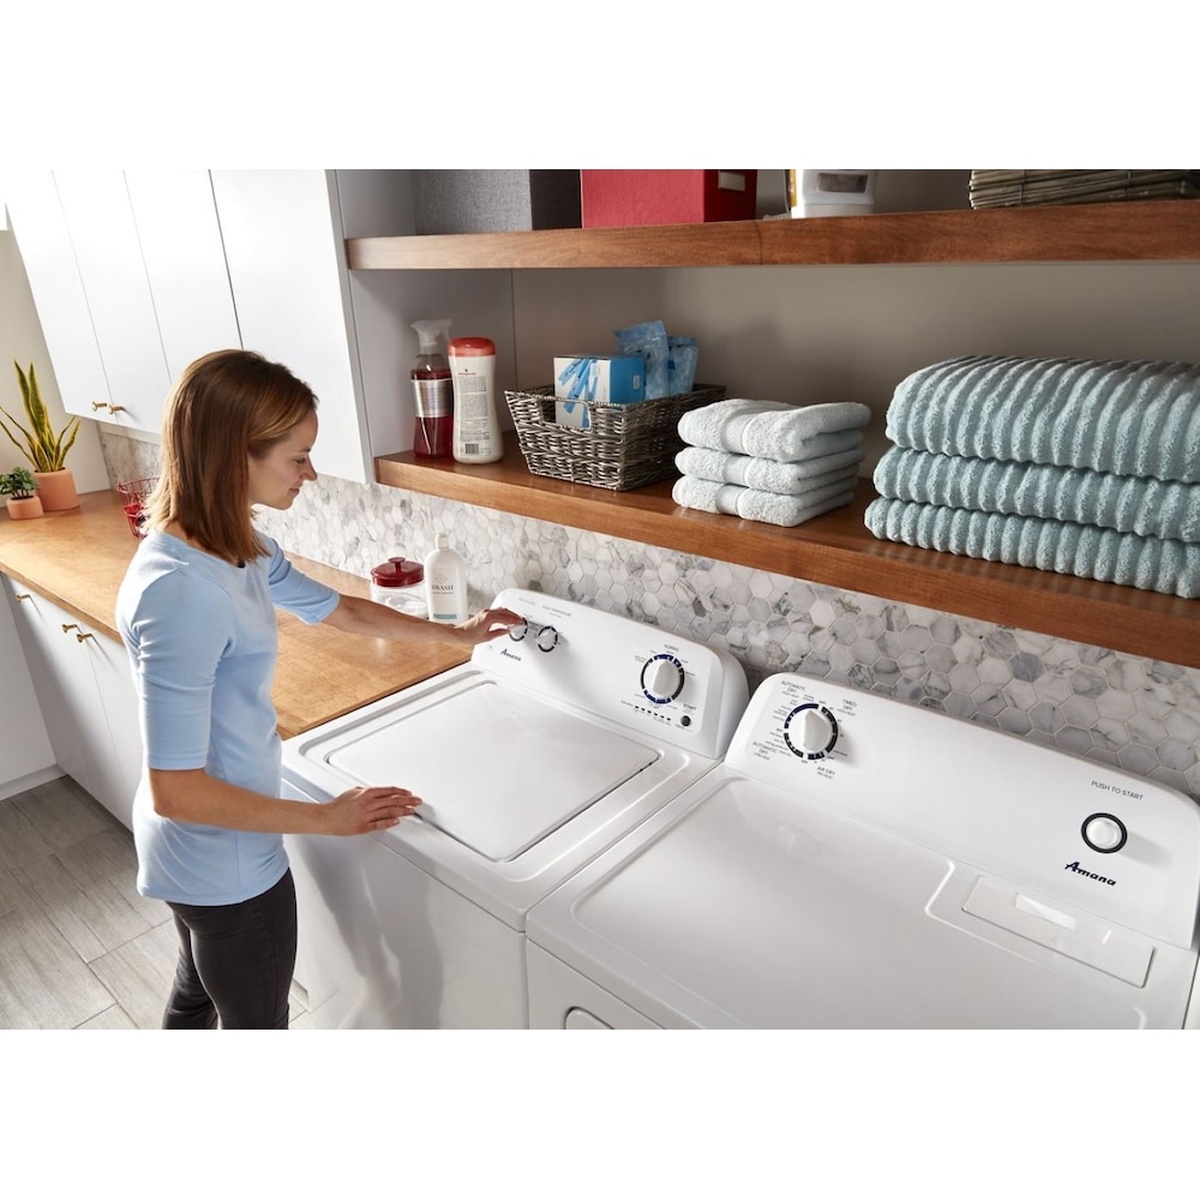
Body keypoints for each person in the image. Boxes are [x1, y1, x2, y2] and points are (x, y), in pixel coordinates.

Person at [115, 348, 521, 1030]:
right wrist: (327, 819)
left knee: (193, 998)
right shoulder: (182, 592)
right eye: (296, 457)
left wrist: (460, 635)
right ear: (233, 455)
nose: (310, 473)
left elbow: (340, 607)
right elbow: (177, 791)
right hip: (226, 864)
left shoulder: (228, 546)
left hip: (197, 858)